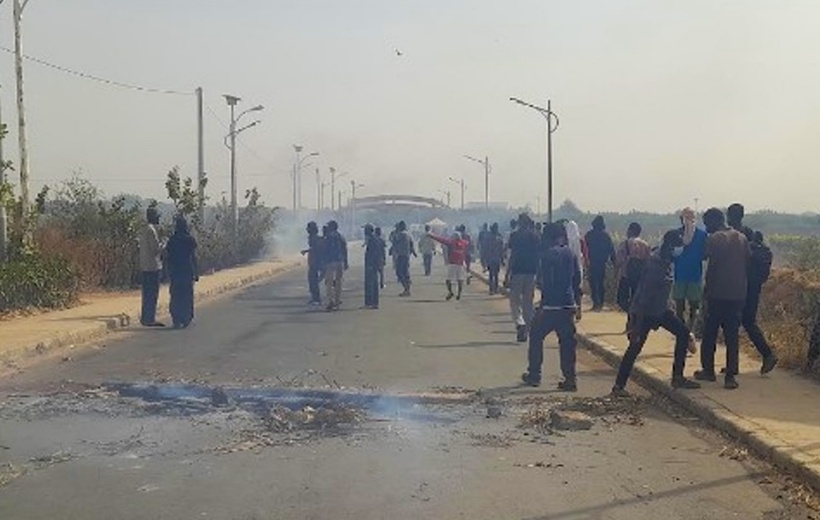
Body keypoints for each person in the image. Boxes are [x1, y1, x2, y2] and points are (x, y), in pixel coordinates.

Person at [611, 230, 701, 397]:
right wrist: (636, 325)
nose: (680, 250)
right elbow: (644, 296)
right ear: (671, 246)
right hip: (645, 312)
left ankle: (678, 377)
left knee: (683, 334)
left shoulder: (668, 261)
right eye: (678, 246)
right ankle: (618, 386)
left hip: (661, 310)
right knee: (634, 348)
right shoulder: (655, 265)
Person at [521, 222, 582, 391]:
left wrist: (542, 306)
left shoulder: (547, 256)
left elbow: (547, 283)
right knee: (567, 343)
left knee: (535, 336)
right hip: (568, 305)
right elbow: (577, 281)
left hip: (551, 307)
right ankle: (570, 379)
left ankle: (534, 375)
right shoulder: (570, 253)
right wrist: (578, 305)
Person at [695, 208, 750, 389]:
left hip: (717, 292)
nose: (707, 227)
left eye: (707, 223)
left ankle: (708, 371)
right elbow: (747, 260)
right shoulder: (741, 238)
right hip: (737, 293)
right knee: (732, 335)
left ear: (713, 221)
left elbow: (704, 257)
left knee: (710, 333)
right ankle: (730, 376)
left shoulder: (715, 238)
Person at [727, 203, 778, 374]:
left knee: (733, 322)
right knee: (746, 321)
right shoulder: (750, 233)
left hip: (740, 285)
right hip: (752, 285)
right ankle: (765, 354)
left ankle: (735, 365)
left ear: (730, 216)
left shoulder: (735, 235)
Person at [672, 208, 708, 331]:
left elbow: (705, 254)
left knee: (688, 306)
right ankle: (684, 330)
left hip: (690, 275)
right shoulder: (677, 235)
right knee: (684, 307)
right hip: (686, 275)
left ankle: (686, 331)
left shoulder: (701, 235)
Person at [507, 214, 541, 342]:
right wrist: (539, 274)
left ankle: (520, 323)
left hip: (517, 272)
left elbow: (512, 255)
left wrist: (507, 274)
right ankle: (528, 330)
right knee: (528, 302)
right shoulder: (535, 236)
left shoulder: (514, 236)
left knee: (514, 301)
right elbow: (539, 256)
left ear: (519, 223)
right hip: (531, 272)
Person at [165, 215, 199, 329]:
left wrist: (166, 271)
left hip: (175, 271)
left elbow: (167, 257)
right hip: (187, 271)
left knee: (175, 295)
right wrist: (197, 271)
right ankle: (186, 317)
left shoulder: (172, 240)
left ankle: (176, 318)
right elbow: (193, 256)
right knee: (187, 295)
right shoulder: (190, 239)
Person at [615, 222, 651, 321]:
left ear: (630, 231)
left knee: (621, 299)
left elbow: (618, 261)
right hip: (640, 276)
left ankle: (631, 314)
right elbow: (649, 262)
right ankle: (634, 319)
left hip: (626, 275)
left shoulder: (625, 244)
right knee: (636, 299)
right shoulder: (645, 245)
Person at [138, 207, 165, 327]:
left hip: (144, 265)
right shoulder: (151, 230)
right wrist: (164, 243)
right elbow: (155, 250)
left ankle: (145, 317)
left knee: (146, 294)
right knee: (152, 294)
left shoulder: (143, 230)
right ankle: (150, 318)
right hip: (153, 266)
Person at [585, 215, 616, 311]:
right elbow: (611, 249)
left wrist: (585, 261)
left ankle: (596, 303)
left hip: (592, 262)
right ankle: (601, 303)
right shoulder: (606, 236)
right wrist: (614, 262)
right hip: (602, 262)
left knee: (593, 283)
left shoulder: (589, 235)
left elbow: (585, 249)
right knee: (601, 282)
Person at [428, 230, 469, 301]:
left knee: (448, 280)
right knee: (460, 280)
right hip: (461, 264)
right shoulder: (464, 243)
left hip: (452, 264)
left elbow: (441, 240)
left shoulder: (451, 243)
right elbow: (468, 242)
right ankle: (459, 294)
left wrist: (431, 235)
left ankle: (450, 292)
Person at [323, 220, 348, 311]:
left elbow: (325, 250)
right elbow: (345, 250)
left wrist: (323, 263)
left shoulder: (328, 237)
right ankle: (337, 302)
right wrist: (346, 262)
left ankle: (330, 301)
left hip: (330, 262)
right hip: (340, 261)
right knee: (338, 283)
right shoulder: (341, 237)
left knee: (329, 283)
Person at [390, 221, 416, 296]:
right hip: (406, 255)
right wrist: (413, 252)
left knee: (399, 272)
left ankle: (406, 289)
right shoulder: (408, 234)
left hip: (401, 255)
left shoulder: (401, 234)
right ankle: (407, 289)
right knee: (405, 272)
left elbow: (394, 242)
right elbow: (411, 244)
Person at [301, 221, 323, 306]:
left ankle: (316, 299)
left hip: (315, 261)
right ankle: (315, 298)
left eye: (308, 227)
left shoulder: (314, 238)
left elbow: (315, 248)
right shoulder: (313, 237)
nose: (307, 229)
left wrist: (306, 251)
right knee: (312, 280)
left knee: (313, 280)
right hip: (313, 261)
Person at [363, 224, 381, 309]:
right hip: (373, 264)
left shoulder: (372, 240)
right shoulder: (373, 239)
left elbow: (373, 253)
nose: (364, 232)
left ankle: (371, 302)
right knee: (372, 283)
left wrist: (370, 264)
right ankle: (371, 302)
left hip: (371, 265)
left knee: (371, 284)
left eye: (365, 230)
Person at [484, 223, 505, 295]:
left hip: (492, 258)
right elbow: (501, 250)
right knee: (495, 274)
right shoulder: (499, 237)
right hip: (495, 258)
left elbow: (486, 249)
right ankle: (494, 289)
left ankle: (492, 289)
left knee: (493, 274)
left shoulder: (488, 237)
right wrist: (502, 259)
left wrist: (485, 259)